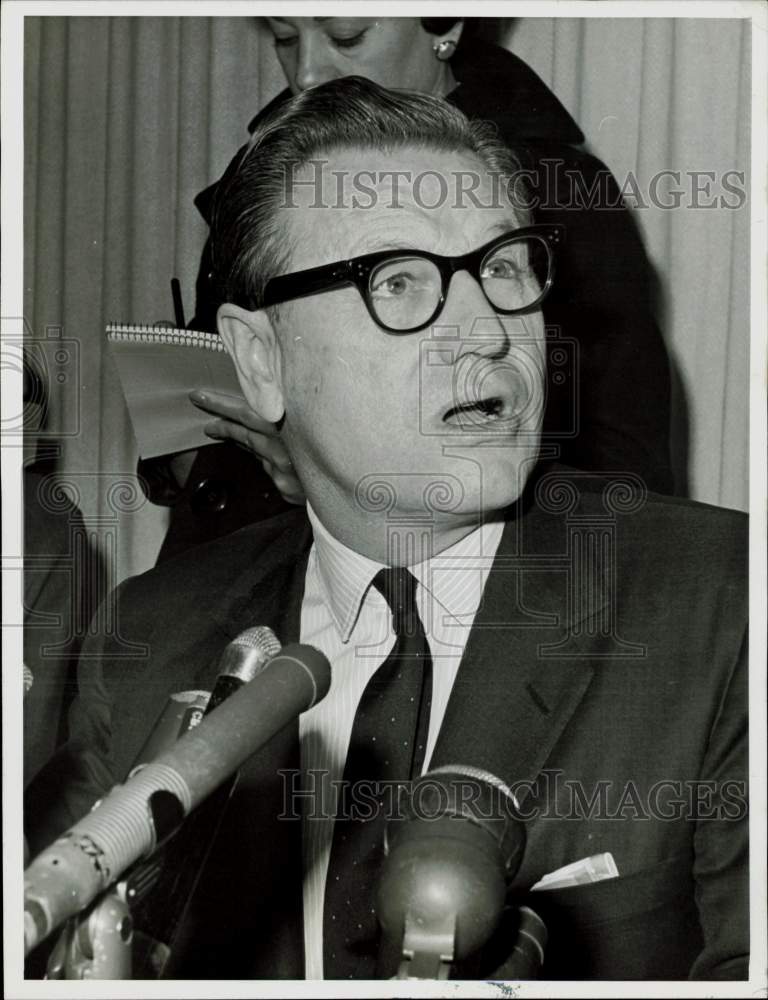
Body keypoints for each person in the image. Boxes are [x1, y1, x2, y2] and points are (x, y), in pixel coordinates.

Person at [26, 79, 746, 982]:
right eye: (398, 280)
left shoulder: (724, 603)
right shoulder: (153, 638)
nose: (488, 332)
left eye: (505, 268)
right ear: (260, 360)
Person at [142, 16, 674, 562]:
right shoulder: (267, 182)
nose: (306, 73)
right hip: (236, 575)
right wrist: (189, 455)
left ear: (446, 24)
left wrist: (335, 484)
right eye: (285, 38)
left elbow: (625, 477)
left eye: (346, 37)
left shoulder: (560, 192)